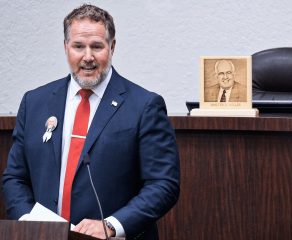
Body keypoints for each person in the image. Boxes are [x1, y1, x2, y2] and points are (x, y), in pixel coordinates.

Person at [2, 4, 180, 240]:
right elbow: (15, 177)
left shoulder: (144, 106)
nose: (88, 57)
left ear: (112, 47)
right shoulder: (35, 102)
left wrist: (111, 225)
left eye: (97, 46)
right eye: (78, 46)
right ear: (66, 47)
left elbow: (163, 184)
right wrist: (31, 224)